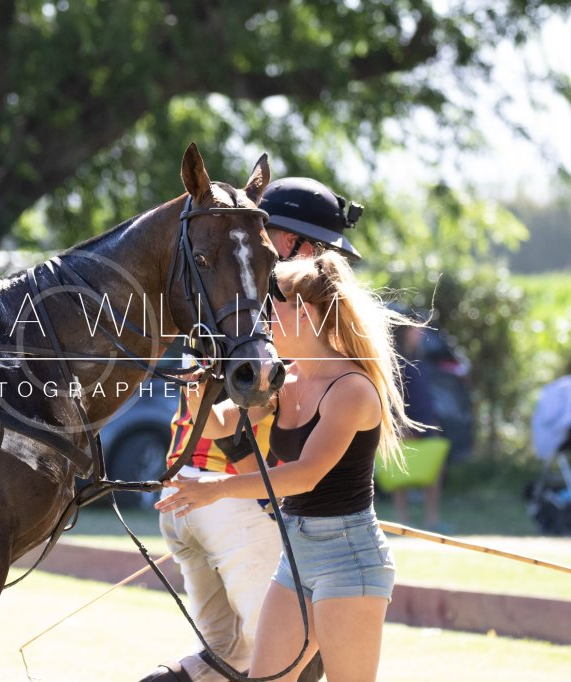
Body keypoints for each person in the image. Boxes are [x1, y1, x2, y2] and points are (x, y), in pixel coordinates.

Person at [156, 250, 419, 682]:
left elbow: (306, 475)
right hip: (297, 555)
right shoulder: (285, 378)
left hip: (348, 558)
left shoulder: (351, 389)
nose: (261, 322)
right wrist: (196, 385)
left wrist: (217, 489)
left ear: (306, 313)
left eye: (270, 310)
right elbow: (218, 424)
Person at [140, 178, 363, 682]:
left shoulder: (223, 295)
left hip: (187, 494)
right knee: (295, 651)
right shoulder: (262, 317)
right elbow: (233, 430)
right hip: (229, 499)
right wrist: (269, 502)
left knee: (228, 656)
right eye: (317, 246)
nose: (322, 260)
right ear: (286, 239)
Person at [385, 323, 450, 530]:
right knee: (400, 472)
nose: (420, 333)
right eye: (416, 328)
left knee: (435, 469)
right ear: (405, 330)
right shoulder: (395, 360)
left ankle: (432, 519)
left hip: (426, 425)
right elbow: (392, 397)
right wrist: (399, 426)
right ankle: (402, 519)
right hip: (404, 428)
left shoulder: (420, 359)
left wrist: (432, 420)